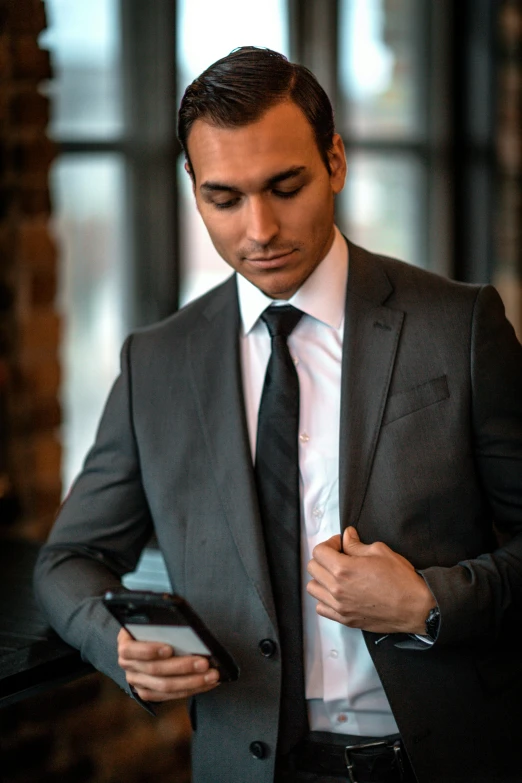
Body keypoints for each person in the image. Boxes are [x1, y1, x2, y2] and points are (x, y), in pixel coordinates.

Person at [34, 47, 522, 783]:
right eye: (224, 198)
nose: (258, 228)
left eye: (284, 186)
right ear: (193, 190)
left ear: (335, 161)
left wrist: (429, 601)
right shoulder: (156, 364)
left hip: (439, 759)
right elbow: (68, 560)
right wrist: (118, 643)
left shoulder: (459, 326)